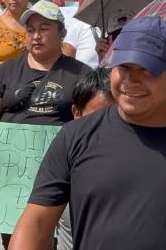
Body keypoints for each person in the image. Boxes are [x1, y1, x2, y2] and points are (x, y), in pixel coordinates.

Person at [8, 17, 166, 249]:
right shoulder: (75, 136)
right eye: (124, 67)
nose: (132, 80)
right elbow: (36, 224)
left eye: (147, 70)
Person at [0, 0, 92, 248]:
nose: (36, 36)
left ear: (62, 33)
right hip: (9, 180)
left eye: (44, 28)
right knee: (15, 242)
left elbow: (90, 126)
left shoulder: (82, 74)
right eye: (31, 29)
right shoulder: (7, 72)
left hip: (60, 178)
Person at [55, 69, 115, 250]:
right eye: (96, 119)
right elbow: (35, 226)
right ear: (76, 112)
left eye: (115, 117)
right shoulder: (61, 161)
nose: (106, 127)